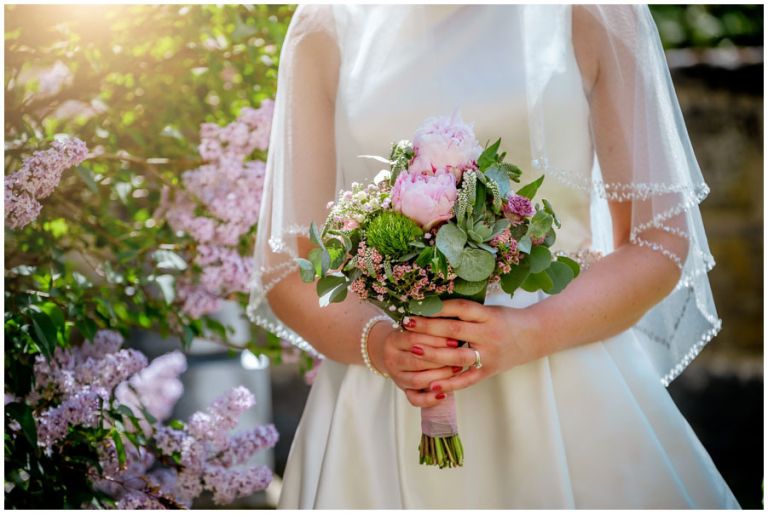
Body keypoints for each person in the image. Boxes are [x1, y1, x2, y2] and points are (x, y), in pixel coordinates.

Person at [247, 5, 741, 509]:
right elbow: (287, 265)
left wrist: (528, 332)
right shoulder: (327, 20)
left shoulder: (595, 11)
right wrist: (380, 346)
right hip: (382, 407)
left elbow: (658, 242)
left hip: (561, 385)